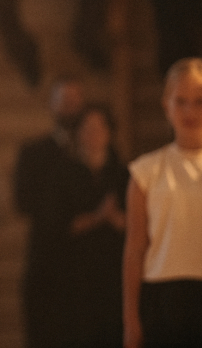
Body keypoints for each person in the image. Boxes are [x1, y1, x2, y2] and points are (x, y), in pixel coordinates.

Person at [123, 58, 202, 348]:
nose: (190, 111)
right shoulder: (146, 172)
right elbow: (135, 249)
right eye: (181, 101)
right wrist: (131, 319)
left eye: (200, 101)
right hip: (163, 297)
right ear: (166, 105)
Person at [15, 78, 87, 348]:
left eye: (75, 102)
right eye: (64, 101)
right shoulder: (34, 152)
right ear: (52, 105)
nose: (70, 108)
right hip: (46, 257)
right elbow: (23, 202)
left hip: (85, 262)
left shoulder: (94, 154)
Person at [54, 103, 127, 348]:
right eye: (87, 129)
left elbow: (136, 224)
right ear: (78, 134)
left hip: (115, 270)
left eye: (99, 128)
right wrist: (98, 217)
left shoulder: (124, 173)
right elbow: (60, 226)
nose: (93, 134)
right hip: (77, 274)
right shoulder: (65, 174)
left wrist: (113, 217)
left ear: (109, 132)